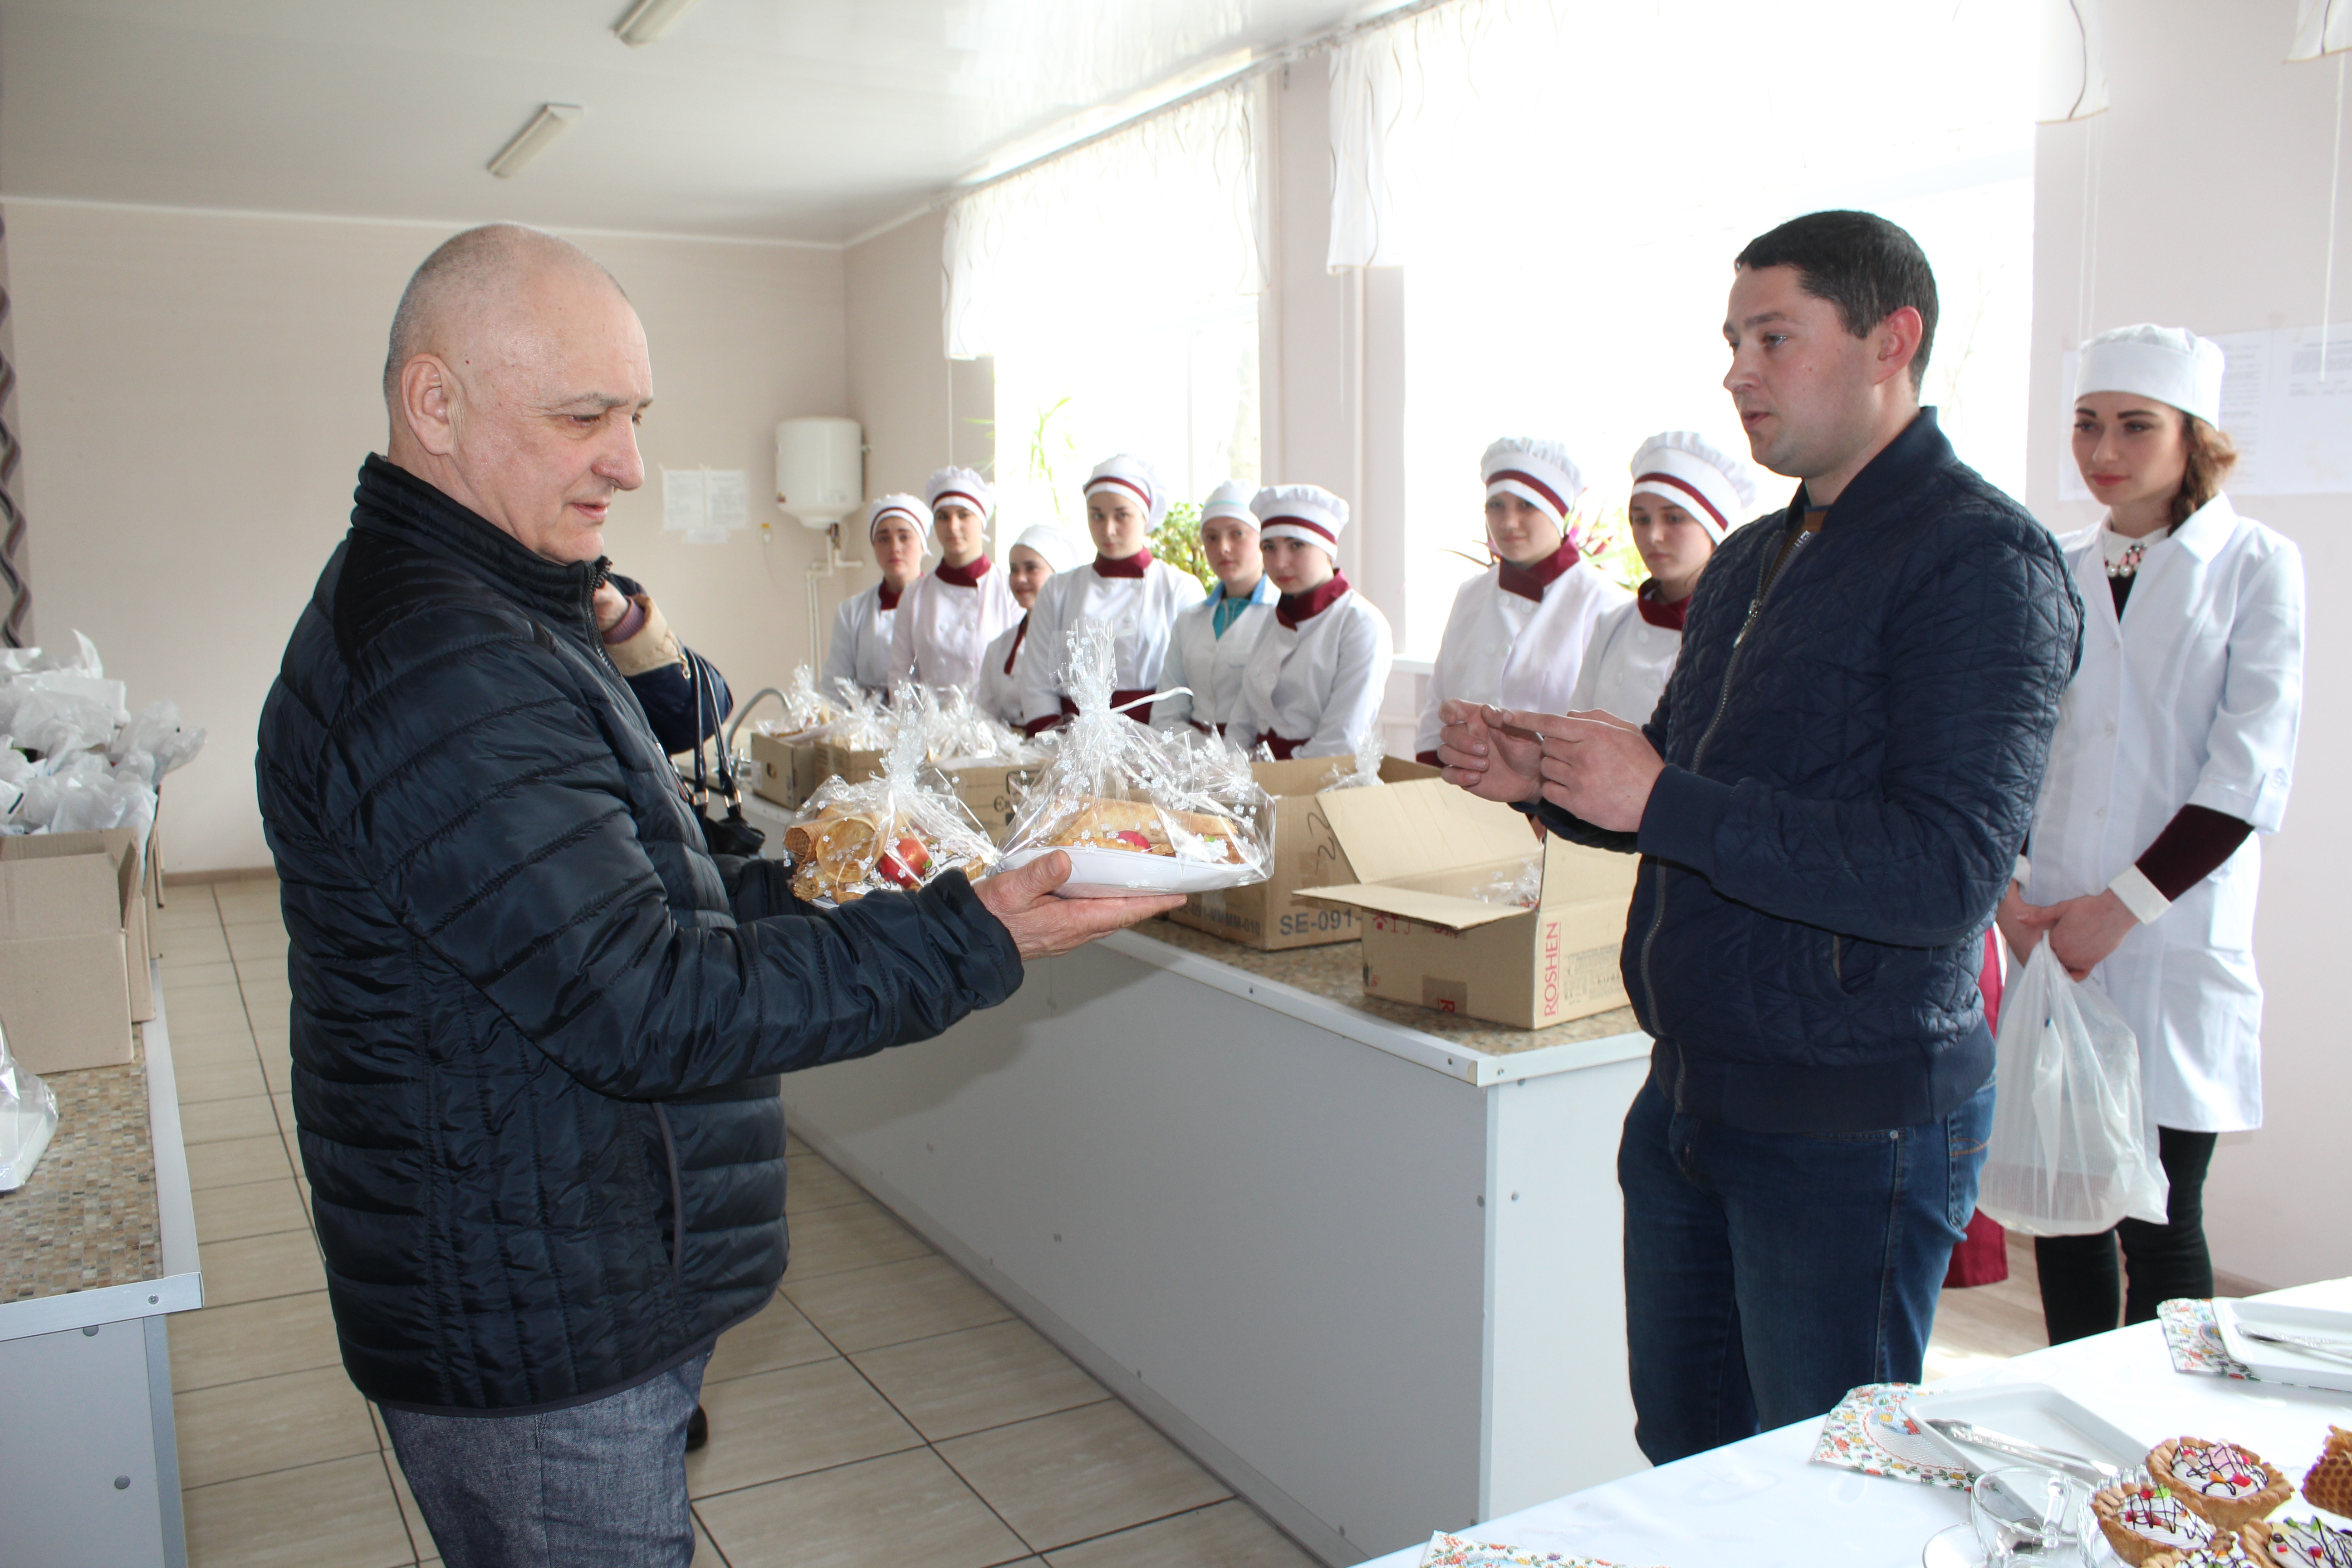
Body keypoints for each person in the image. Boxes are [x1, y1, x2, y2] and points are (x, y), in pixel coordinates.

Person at [253, 223, 1181, 1568]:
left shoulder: (505, 609)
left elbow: (631, 895)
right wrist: (966, 937)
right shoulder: (443, 660)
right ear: (434, 404)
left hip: (560, 1261)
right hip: (536, 1319)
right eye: (583, 417)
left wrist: (840, 877)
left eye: (634, 416)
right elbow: (641, 1001)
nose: (629, 463)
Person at [1436, 210, 2083, 1463]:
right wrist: (1547, 779)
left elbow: (1945, 871)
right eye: (1732, 340)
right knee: (1690, 1460)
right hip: (1690, 1090)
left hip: (1847, 1117)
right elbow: (1680, 783)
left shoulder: (1979, 561)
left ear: (1890, 339)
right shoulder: (1748, 562)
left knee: (1819, 1484)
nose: (1737, 370)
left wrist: (1660, 798)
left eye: (1772, 337)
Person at [1997, 323, 2304, 1343]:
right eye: (2086, 423)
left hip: (2169, 939)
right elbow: (2016, 739)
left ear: (2193, 437)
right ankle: (2075, 1411)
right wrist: (2011, 894)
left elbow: (2245, 770)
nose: (2103, 450)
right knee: (2069, 1216)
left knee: (2163, 1223)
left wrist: (2118, 910)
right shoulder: (2054, 565)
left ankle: (2175, 1426)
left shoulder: (2254, 565)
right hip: (2050, 931)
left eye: (2135, 425)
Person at [1414, 438, 1631, 764]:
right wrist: (1429, 782)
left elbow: (1603, 737)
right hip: (1454, 786)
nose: (1508, 522)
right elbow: (1436, 710)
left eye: (1527, 505)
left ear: (1558, 512)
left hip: (1552, 792)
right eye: (1496, 505)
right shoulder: (1470, 594)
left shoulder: (1605, 604)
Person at [1567, 432, 1754, 724]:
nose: (1654, 536)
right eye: (1642, 519)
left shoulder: (1744, 632)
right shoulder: (1613, 625)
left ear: (1714, 529)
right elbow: (1577, 728)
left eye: (1674, 518)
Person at [1016, 454, 1205, 733]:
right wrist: (1056, 742)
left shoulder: (1180, 588)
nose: (1108, 529)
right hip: (1075, 740)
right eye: (1097, 516)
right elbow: (1037, 681)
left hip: (1157, 738)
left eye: (1122, 515)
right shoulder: (1058, 589)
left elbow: (1195, 679)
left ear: (1145, 516)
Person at [1230, 483, 1394, 760]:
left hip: (1323, 778)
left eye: (1296, 545)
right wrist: (1233, 768)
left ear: (1328, 551)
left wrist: (1273, 777)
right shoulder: (1276, 617)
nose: (1280, 563)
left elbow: (1341, 740)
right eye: (1269, 547)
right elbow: (1243, 719)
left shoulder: (1362, 624)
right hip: (1256, 775)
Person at [1154, 478, 1277, 737]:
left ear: (1263, 538)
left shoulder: (1281, 614)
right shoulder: (1189, 620)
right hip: (1193, 755)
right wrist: (1202, 752)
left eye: (1237, 534)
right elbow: (1166, 714)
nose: (1223, 548)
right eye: (1211, 537)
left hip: (1262, 754)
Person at [889, 466, 1022, 695]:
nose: (953, 526)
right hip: (931, 718)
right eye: (943, 517)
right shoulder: (915, 595)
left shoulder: (1009, 589)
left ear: (982, 521)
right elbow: (900, 676)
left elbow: (1020, 671)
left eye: (963, 515)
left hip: (993, 717)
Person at [976, 523, 1085, 726]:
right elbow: (985, 719)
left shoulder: (1082, 643)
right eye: (1014, 570)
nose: (1020, 579)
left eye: (1031, 568)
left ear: (1060, 574)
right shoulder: (998, 649)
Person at [822, 494, 924, 698]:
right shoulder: (851, 612)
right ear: (874, 547)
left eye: (904, 537)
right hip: (865, 718)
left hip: (930, 717)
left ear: (923, 546)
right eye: (884, 539)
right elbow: (836, 687)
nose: (895, 548)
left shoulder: (939, 605)